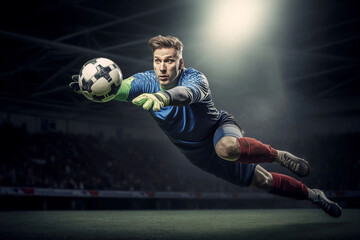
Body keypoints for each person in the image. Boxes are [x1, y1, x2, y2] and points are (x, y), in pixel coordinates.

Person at [70, 35, 341, 217]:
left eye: (169, 61)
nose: (162, 67)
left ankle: (278, 155)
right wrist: (99, 91)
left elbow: (186, 95)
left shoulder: (196, 78)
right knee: (263, 181)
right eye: (157, 61)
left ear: (180, 63)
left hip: (219, 129)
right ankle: (314, 195)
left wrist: (162, 97)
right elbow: (122, 89)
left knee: (226, 147)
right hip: (199, 155)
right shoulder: (144, 80)